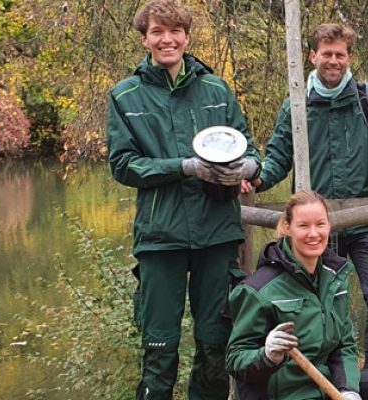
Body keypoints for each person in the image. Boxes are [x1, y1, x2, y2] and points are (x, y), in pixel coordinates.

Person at [106, 1, 260, 398]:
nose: (167, 39)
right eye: (157, 32)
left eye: (174, 31)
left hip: (217, 231)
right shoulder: (125, 96)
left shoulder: (216, 89)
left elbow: (249, 149)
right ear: (145, 39)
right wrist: (185, 167)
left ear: (187, 37)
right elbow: (123, 165)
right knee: (159, 349)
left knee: (215, 345)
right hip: (161, 235)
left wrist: (244, 169)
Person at [242, 23, 368, 369]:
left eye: (340, 55)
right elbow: (278, 159)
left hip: (365, 220)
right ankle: (326, 377)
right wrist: (256, 180)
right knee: (318, 305)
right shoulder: (295, 106)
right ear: (313, 56)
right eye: (326, 54)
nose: (333, 61)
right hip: (315, 228)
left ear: (349, 58)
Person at [226, 191, 368, 400]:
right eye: (303, 225)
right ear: (287, 227)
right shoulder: (257, 290)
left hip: (327, 385)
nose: (313, 234)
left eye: (320, 224)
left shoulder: (334, 278)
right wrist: (267, 356)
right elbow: (235, 360)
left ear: (329, 225)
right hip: (286, 394)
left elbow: (344, 345)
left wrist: (348, 389)